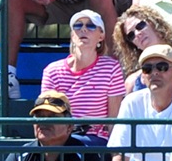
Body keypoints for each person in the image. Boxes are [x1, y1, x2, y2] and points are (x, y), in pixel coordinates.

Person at [39, 8, 124, 139]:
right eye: (78, 26)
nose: (83, 29)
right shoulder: (52, 71)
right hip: (61, 138)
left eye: (90, 26)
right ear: (72, 35)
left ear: (101, 36)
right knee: (15, 158)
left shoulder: (111, 68)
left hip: (95, 141)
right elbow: (46, 113)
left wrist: (114, 154)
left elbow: (114, 119)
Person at [116, 5, 172, 91]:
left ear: (154, 23)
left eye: (140, 26)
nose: (137, 34)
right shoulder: (140, 79)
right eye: (131, 35)